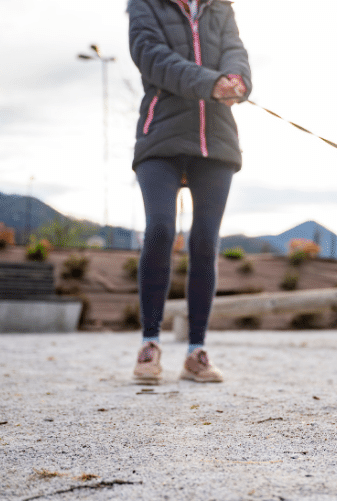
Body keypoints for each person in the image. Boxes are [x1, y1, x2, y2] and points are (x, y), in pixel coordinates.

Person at [127, 0, 251, 383]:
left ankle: (196, 351)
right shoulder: (145, 4)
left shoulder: (220, 8)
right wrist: (208, 83)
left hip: (216, 143)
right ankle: (150, 342)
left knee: (204, 241)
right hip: (160, 140)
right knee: (161, 229)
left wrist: (237, 80)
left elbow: (235, 50)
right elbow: (150, 56)